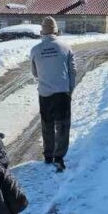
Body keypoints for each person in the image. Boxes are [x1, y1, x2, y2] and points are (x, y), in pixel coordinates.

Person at [30, 16, 77, 172]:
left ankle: (48, 155)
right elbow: (73, 71)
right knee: (63, 126)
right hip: (62, 92)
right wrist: (69, 89)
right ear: (57, 31)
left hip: (45, 94)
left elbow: (35, 73)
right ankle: (59, 156)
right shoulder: (66, 48)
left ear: (41, 32)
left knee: (47, 125)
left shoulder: (35, 50)